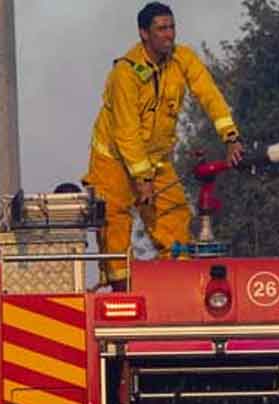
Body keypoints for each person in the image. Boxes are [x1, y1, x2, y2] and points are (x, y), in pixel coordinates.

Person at [84, 2, 244, 290]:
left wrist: (231, 137)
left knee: (175, 222)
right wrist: (142, 180)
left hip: (155, 161)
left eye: (171, 27)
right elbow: (127, 132)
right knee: (115, 224)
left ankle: (177, 290)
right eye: (161, 29)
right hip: (114, 162)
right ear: (144, 34)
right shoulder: (125, 74)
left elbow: (210, 95)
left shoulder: (183, 59)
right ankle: (121, 294)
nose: (169, 35)